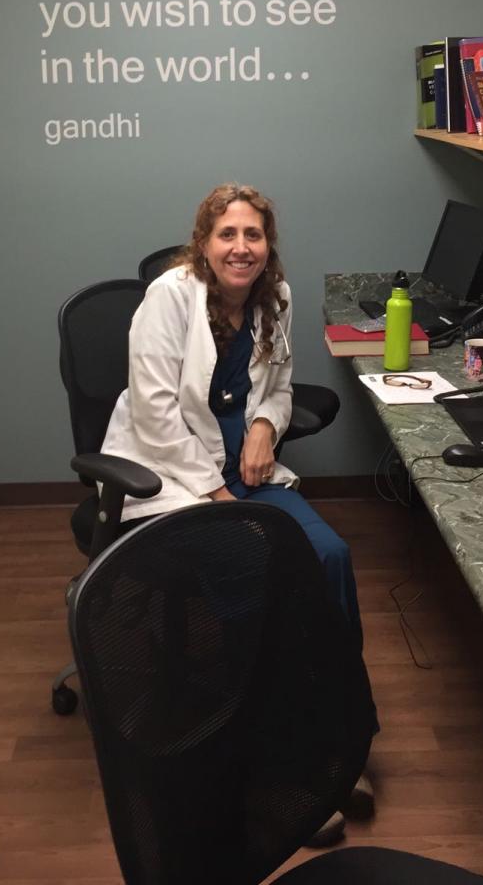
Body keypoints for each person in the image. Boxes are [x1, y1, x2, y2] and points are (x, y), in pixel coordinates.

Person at [102, 182, 376, 844]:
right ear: (203, 244)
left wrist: (261, 426)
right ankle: (281, 763)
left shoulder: (273, 298)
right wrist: (217, 495)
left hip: (246, 474)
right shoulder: (168, 300)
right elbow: (156, 415)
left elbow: (277, 388)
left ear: (267, 245)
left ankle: (341, 737)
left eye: (253, 235)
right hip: (175, 480)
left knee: (330, 558)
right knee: (258, 568)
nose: (241, 247)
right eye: (227, 234)